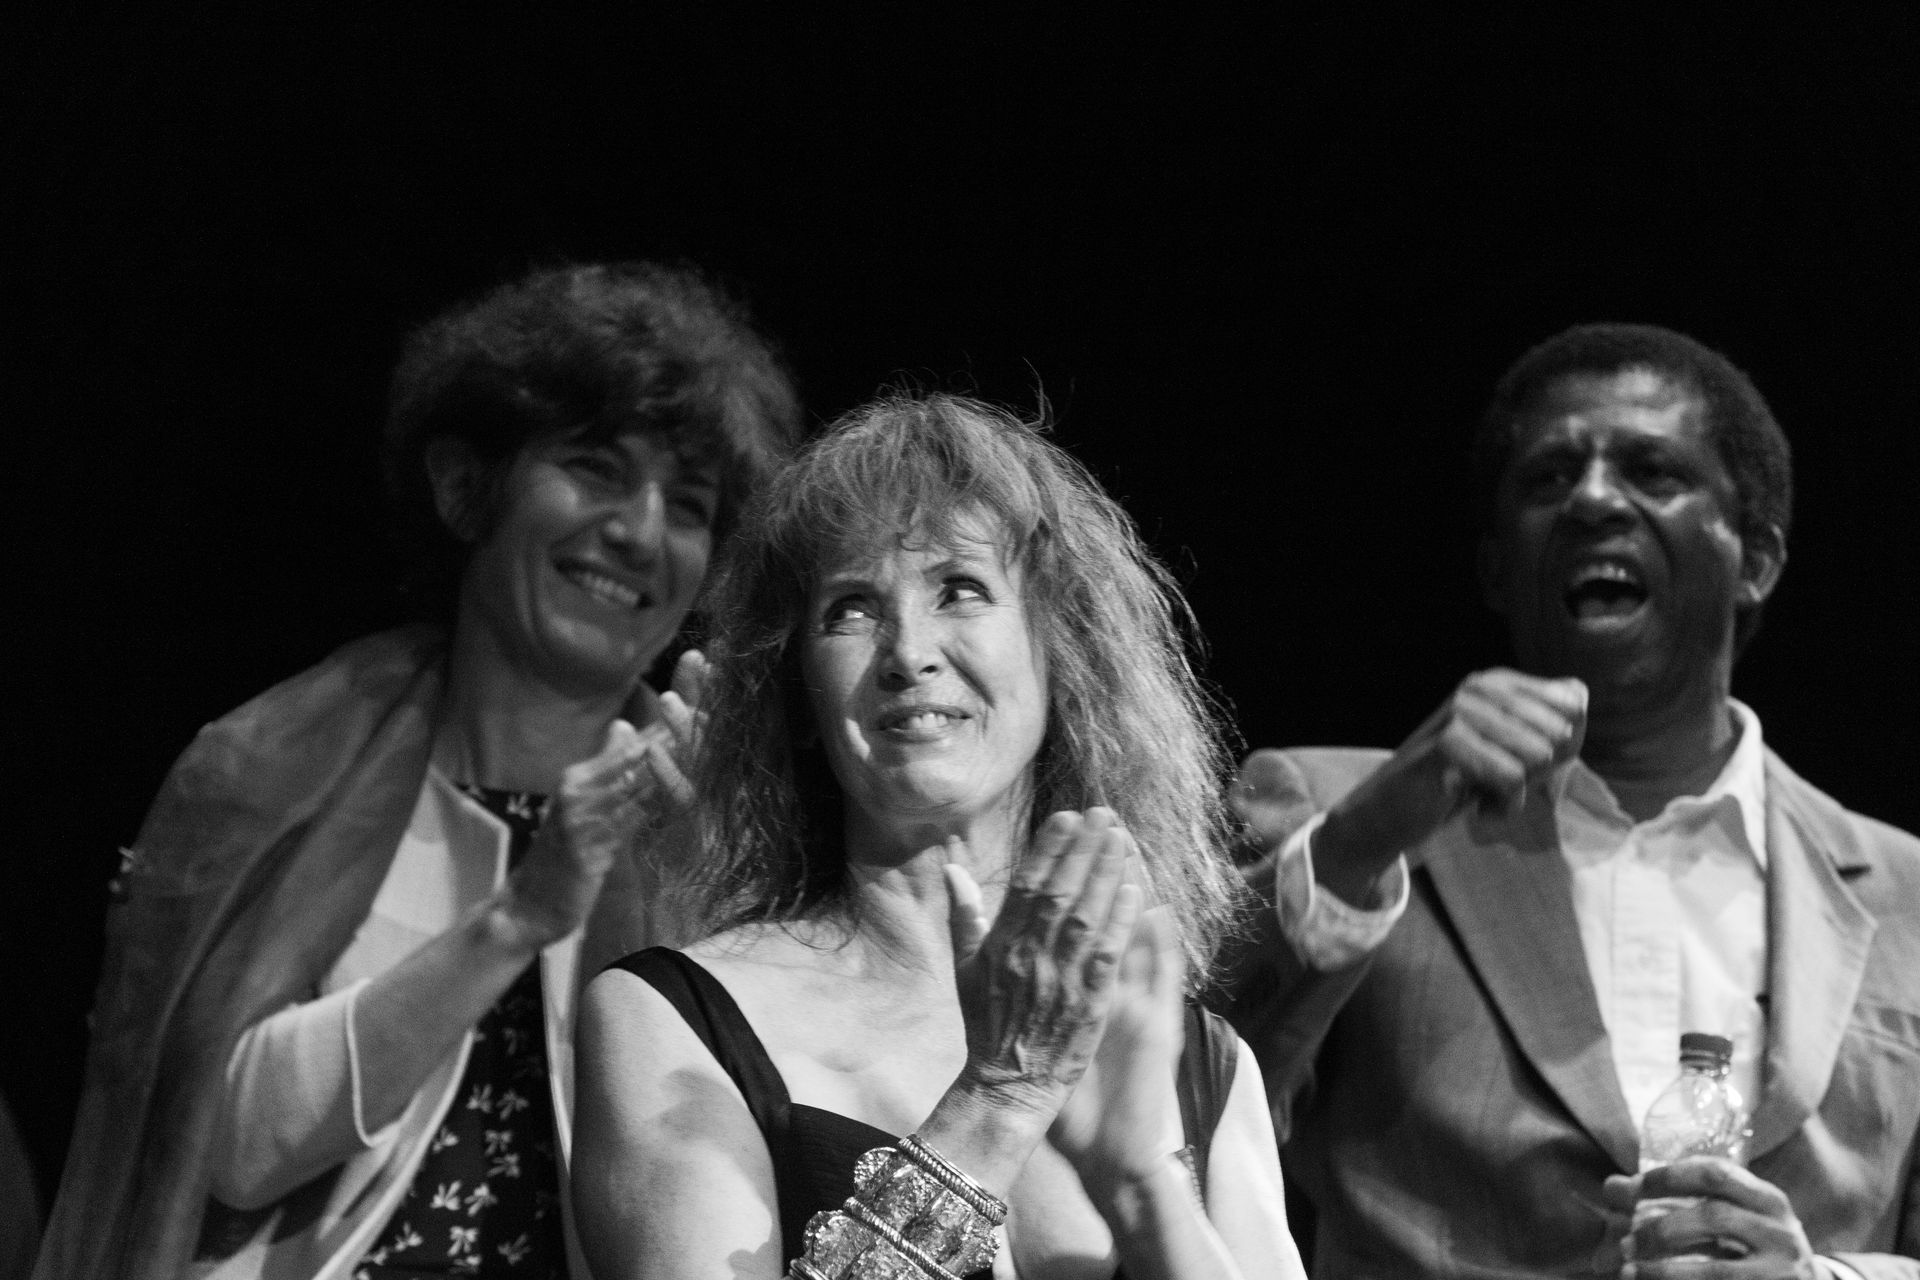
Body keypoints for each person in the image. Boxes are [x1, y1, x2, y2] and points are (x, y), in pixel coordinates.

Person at [34, 261, 800, 1280]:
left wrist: (711, 880)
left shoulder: (708, 819)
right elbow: (218, 1150)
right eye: (596, 468)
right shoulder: (275, 771)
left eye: (691, 504)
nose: (640, 531)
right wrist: (517, 918)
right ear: (463, 485)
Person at [1217, 323, 1920, 1279]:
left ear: (1755, 559)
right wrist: (1368, 836)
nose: (1592, 499)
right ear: (1498, 569)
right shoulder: (1346, 818)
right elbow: (1170, 1096)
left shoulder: (1906, 891)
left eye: (1652, 471)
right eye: (1549, 478)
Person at [572, 393, 1305, 1280]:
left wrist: (1147, 1185)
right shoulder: (669, 1019)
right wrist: (999, 1097)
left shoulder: (1198, 1061)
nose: (907, 652)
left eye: (960, 590)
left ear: (1062, 653)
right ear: (797, 693)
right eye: (852, 608)